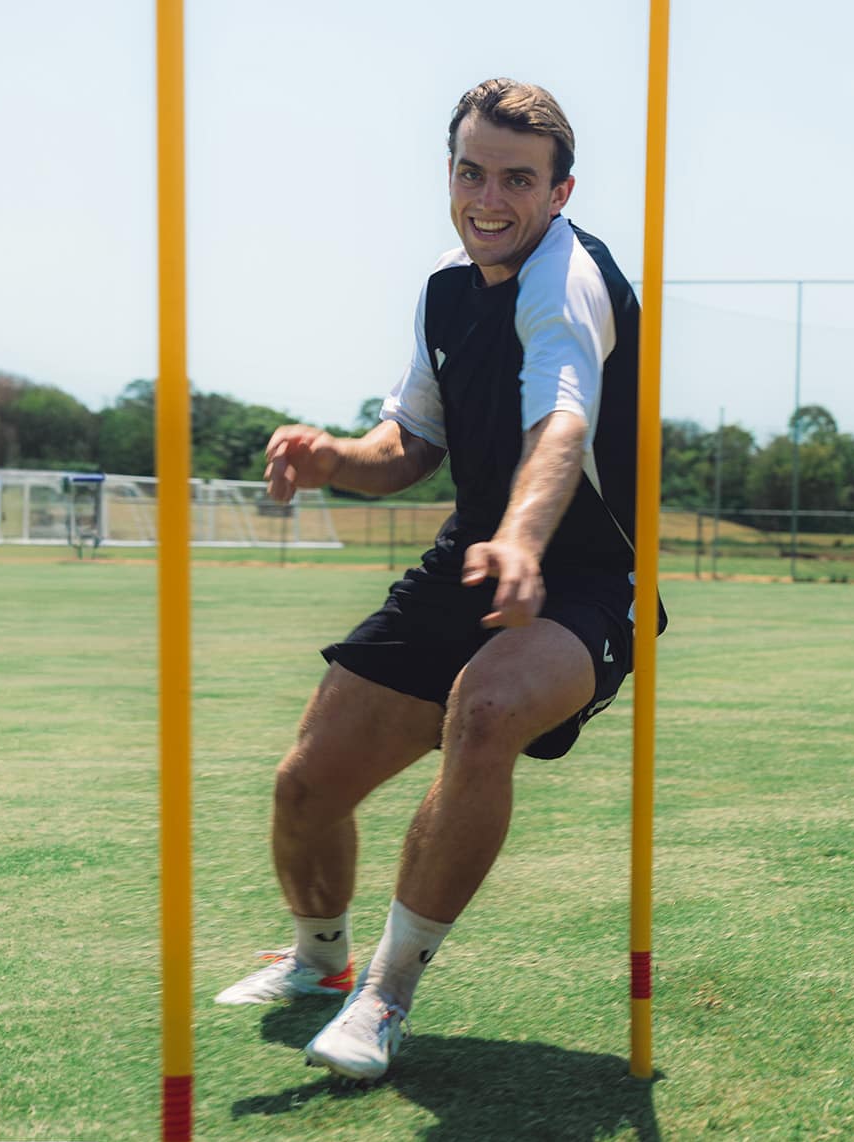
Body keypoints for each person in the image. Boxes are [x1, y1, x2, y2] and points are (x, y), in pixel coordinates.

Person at [214, 77, 662, 1084]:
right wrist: (336, 457)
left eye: (517, 178)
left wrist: (522, 540)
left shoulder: (569, 280)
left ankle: (385, 995)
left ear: (561, 191)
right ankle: (320, 964)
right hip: (475, 549)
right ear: (449, 175)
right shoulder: (443, 292)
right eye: (471, 171)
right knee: (305, 785)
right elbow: (410, 442)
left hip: (587, 575)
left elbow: (562, 426)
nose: (490, 197)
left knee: (488, 706)